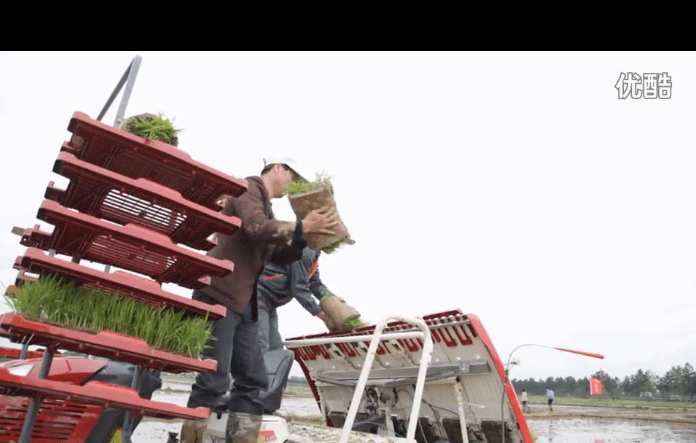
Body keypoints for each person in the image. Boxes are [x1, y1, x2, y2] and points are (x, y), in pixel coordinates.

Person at [180, 158, 338, 443]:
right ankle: (191, 438)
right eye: (293, 176)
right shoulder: (247, 188)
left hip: (246, 304)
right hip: (219, 295)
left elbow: (280, 255)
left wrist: (304, 238)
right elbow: (255, 227)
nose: (293, 184)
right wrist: (300, 226)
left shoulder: (267, 209)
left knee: (253, 380)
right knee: (214, 379)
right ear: (278, 168)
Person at [256, 246, 335, 353]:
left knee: (274, 346)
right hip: (257, 295)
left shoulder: (313, 253)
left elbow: (314, 283)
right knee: (261, 344)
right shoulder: (306, 250)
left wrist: (337, 302)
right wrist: (322, 315)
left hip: (268, 302)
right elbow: (299, 288)